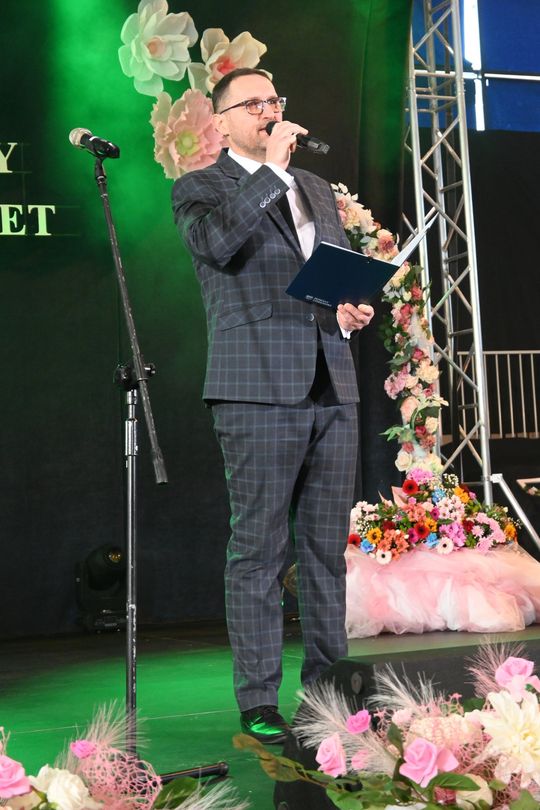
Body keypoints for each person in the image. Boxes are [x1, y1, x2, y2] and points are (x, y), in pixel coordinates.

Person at [172, 67, 374, 744]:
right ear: (222, 121)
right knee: (259, 549)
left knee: (325, 550)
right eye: (253, 103)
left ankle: (329, 691)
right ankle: (259, 699)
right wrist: (271, 173)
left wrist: (349, 309)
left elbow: (331, 274)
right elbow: (216, 246)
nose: (268, 111)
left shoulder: (314, 188)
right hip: (257, 386)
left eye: (274, 100)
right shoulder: (201, 188)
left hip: (331, 381)